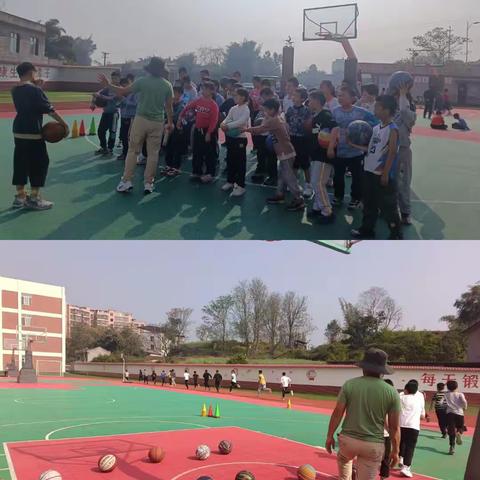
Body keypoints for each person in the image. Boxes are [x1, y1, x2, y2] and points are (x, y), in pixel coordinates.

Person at [99, 57, 174, 195]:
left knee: (133, 151)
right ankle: (148, 183)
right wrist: (170, 122)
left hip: (141, 119)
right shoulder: (167, 85)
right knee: (153, 154)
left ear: (149, 68)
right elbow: (169, 107)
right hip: (157, 122)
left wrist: (108, 84)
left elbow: (122, 92)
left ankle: (126, 181)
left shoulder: (142, 81)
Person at [325, 348, 400, 480]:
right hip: (373, 444)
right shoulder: (391, 392)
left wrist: (330, 436)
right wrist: (395, 450)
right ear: (382, 372)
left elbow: (337, 413)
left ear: (363, 368)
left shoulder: (350, 385)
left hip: (348, 441)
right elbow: (394, 427)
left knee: (344, 464)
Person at [10, 62, 69, 210]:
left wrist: (37, 87)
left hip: (18, 131)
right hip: (33, 131)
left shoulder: (14, 90)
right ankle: (34, 198)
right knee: (40, 163)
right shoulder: (35, 90)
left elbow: (28, 99)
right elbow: (49, 109)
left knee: (20, 163)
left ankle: (20, 196)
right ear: (31, 72)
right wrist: (64, 125)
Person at [351, 95, 402, 240]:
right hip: (369, 171)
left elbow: (392, 152)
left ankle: (396, 234)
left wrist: (385, 173)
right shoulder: (375, 128)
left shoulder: (392, 129)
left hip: (381, 174)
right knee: (369, 204)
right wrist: (353, 144)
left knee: (388, 208)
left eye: (378, 106)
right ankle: (367, 229)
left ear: (386, 110)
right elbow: (370, 148)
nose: (375, 108)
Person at [245, 98, 305, 212]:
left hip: (286, 153)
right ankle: (280, 195)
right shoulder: (277, 118)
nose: (264, 112)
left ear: (272, 109)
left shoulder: (275, 121)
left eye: (266, 110)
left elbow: (259, 129)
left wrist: (245, 129)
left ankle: (299, 199)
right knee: (282, 176)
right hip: (284, 152)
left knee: (289, 177)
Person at [331, 86, 378, 210]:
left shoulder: (361, 112)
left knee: (357, 178)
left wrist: (365, 130)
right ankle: (338, 196)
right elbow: (329, 127)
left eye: (343, 95)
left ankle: (356, 198)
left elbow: (376, 122)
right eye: (339, 95)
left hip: (356, 151)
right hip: (339, 151)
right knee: (338, 177)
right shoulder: (335, 111)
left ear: (352, 98)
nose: (340, 98)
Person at [178, 82, 219, 184]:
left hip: (207, 131)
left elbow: (214, 121)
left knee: (209, 153)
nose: (202, 91)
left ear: (211, 91)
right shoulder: (199, 101)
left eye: (205, 89)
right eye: (202, 89)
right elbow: (187, 107)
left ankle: (210, 173)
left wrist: (209, 133)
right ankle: (197, 171)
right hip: (197, 130)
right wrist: (181, 116)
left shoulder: (213, 105)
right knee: (197, 152)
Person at [308, 90, 337, 224]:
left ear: (317, 101)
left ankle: (327, 211)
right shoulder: (316, 116)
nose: (308, 101)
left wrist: (331, 147)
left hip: (323, 155)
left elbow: (335, 129)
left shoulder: (325, 114)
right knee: (317, 182)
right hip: (315, 154)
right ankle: (317, 207)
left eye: (310, 99)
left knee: (317, 182)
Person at [392, 84, 417, 226]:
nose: (397, 99)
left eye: (399, 97)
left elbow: (403, 110)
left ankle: (405, 213)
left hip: (402, 151)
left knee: (403, 183)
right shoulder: (391, 112)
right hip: (388, 151)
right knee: (389, 183)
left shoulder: (410, 115)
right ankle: (390, 210)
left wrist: (403, 94)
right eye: (396, 97)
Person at [220, 88, 251, 197]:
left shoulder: (246, 109)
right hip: (231, 138)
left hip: (240, 139)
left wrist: (227, 126)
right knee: (230, 159)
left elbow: (241, 121)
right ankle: (230, 181)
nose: (234, 97)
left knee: (240, 162)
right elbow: (227, 118)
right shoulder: (233, 108)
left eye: (236, 96)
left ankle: (240, 186)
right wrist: (223, 124)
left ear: (242, 97)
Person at [286, 87, 313, 198]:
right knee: (294, 162)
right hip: (292, 138)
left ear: (302, 98)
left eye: (296, 95)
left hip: (303, 139)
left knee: (305, 163)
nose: (293, 97)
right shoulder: (290, 109)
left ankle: (308, 185)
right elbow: (287, 122)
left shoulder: (307, 110)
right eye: (293, 95)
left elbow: (309, 125)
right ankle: (294, 183)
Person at [398, 381, 425, 478]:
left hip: (400, 425)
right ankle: (406, 467)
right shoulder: (419, 398)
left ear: (406, 389)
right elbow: (422, 414)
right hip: (413, 426)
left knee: (401, 442)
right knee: (410, 447)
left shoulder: (400, 397)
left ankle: (400, 458)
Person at [251, 87, 278, 186]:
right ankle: (261, 171)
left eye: (263, 97)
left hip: (269, 134)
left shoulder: (274, 104)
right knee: (261, 153)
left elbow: (275, 118)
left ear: (268, 95)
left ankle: (273, 176)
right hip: (261, 133)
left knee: (271, 156)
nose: (261, 98)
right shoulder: (263, 105)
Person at [92, 70, 121, 157]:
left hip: (114, 114)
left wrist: (100, 96)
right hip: (106, 113)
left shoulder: (120, 89)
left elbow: (112, 98)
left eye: (116, 78)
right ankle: (104, 147)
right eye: (112, 78)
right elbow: (97, 93)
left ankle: (110, 148)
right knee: (100, 131)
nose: (114, 80)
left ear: (119, 79)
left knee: (112, 132)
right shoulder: (107, 88)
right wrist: (93, 102)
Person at [164, 85, 187, 176]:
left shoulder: (182, 105)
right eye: (173, 92)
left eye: (176, 93)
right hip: (169, 128)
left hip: (178, 129)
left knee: (176, 148)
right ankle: (168, 165)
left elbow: (178, 116)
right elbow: (165, 114)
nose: (174, 95)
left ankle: (176, 168)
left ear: (181, 94)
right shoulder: (170, 103)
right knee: (168, 147)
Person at [117, 76, 138, 161]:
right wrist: (120, 101)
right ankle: (125, 153)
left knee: (128, 136)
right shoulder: (124, 94)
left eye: (124, 86)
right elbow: (120, 104)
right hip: (123, 116)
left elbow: (135, 104)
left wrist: (124, 99)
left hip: (130, 117)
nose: (123, 88)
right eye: (122, 86)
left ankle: (127, 154)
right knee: (123, 136)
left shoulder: (134, 93)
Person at [445, 380, 468, 455]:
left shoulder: (446, 394)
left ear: (447, 388)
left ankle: (452, 447)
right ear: (457, 387)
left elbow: (442, 402)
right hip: (459, 413)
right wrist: (465, 407)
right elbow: (464, 402)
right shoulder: (460, 394)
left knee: (451, 431)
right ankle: (459, 433)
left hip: (450, 414)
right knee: (460, 427)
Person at [380, 379, 395, 480]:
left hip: (371, 432)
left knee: (368, 458)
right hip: (384, 434)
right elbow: (387, 419)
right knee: (386, 458)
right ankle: (384, 477)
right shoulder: (391, 400)